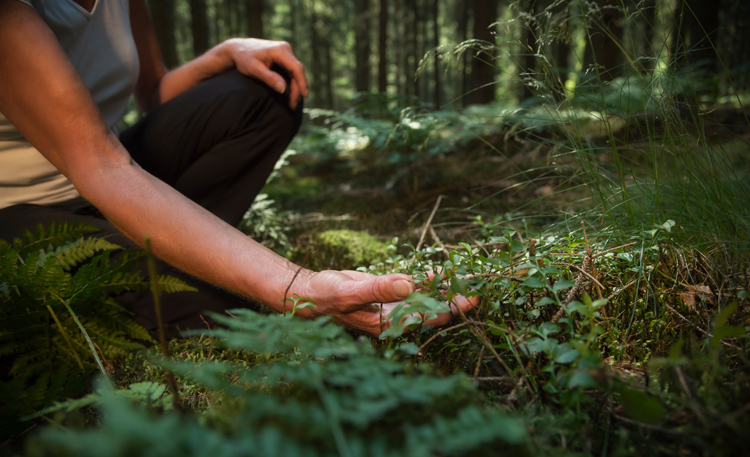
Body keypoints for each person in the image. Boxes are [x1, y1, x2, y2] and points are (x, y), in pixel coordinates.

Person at [0, 0, 478, 338]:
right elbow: (102, 165)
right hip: (26, 209)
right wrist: (298, 287)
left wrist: (226, 53)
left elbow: (155, 96)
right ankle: (178, 263)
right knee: (225, 303)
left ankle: (174, 245)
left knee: (267, 91)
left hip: (114, 169)